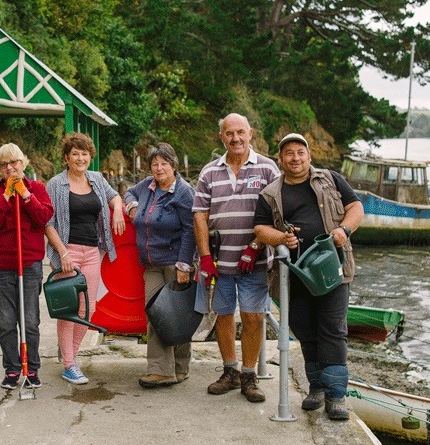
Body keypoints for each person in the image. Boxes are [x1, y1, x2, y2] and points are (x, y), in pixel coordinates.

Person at [254, 133, 364, 420]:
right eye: (288, 153)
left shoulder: (331, 179)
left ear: (309, 155)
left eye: (300, 152)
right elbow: (260, 229)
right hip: (295, 274)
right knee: (305, 331)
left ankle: (336, 396)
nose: (295, 158)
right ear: (280, 159)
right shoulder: (270, 193)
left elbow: (355, 208)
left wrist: (345, 230)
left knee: (333, 330)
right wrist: (281, 238)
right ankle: (316, 387)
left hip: (333, 267)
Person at [193, 113, 280, 403]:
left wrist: (256, 244)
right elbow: (200, 216)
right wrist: (205, 256)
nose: (236, 138)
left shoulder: (268, 169)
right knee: (224, 314)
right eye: (229, 133)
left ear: (250, 133)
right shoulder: (209, 172)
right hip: (221, 260)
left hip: (255, 260)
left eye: (241, 132)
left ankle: (249, 375)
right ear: (222, 137)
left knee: (254, 317)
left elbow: (278, 213)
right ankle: (229, 371)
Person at [45, 133, 126, 384]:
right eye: (75, 154)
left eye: (84, 154)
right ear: (67, 157)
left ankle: (72, 356)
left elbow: (115, 196)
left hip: (92, 252)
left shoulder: (97, 179)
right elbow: (47, 223)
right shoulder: (56, 184)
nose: (80, 158)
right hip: (68, 251)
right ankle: (69, 364)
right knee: (68, 309)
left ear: (91, 156)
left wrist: (118, 211)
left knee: (86, 308)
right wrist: (62, 253)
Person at [0, 143, 54, 390]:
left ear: (23, 163)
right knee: (6, 322)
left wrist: (26, 196)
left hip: (28, 264)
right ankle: (12, 369)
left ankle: (31, 368)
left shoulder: (37, 188)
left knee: (30, 320)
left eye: (14, 162)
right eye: (3, 164)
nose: (10, 168)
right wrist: (7, 196)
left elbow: (44, 217)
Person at [124, 143, 196, 388]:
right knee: (157, 315)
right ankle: (161, 369)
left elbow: (191, 230)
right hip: (151, 263)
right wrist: (132, 207)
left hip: (176, 263)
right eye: (155, 163)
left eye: (164, 163)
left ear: (173, 165)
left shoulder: (184, 192)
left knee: (177, 315)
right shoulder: (147, 185)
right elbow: (128, 192)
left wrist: (184, 265)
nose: (159, 168)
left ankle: (179, 367)